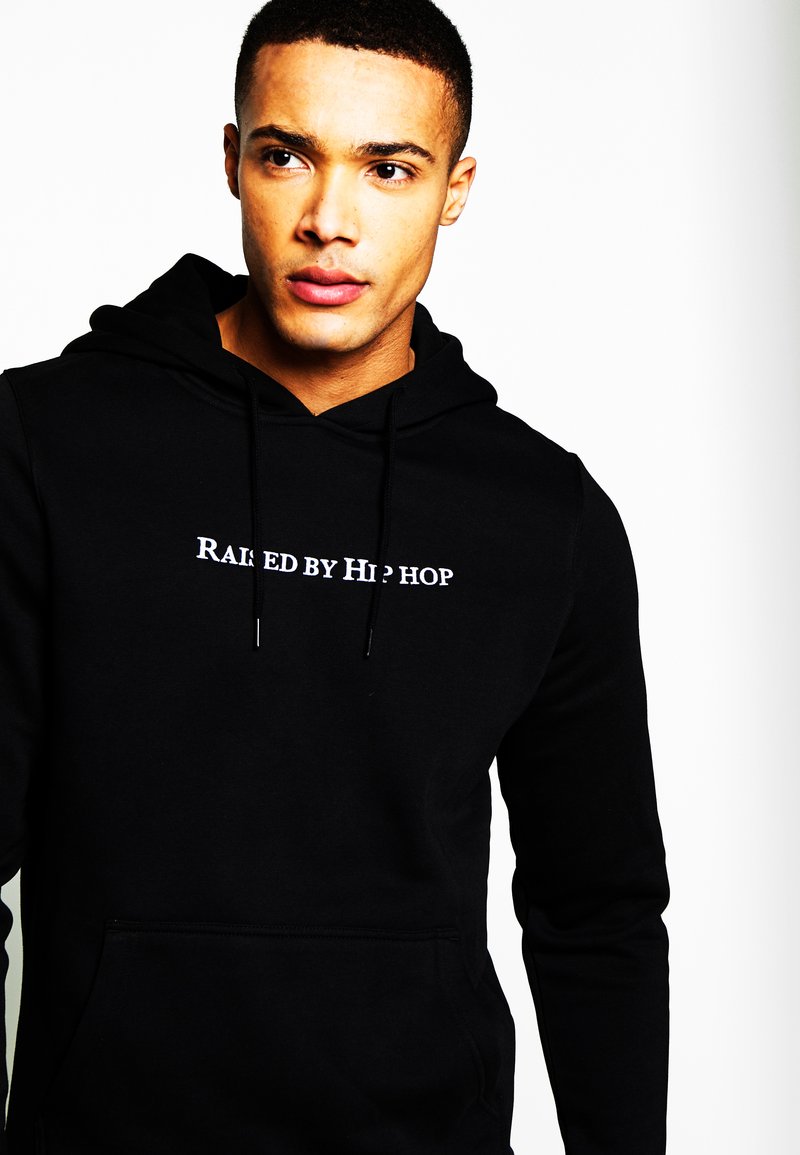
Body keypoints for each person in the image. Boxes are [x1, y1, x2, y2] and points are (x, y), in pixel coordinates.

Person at [0, 0, 670, 1152]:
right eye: (286, 156)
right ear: (232, 161)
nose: (329, 220)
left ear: (454, 189)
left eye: (388, 168)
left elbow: (596, 911)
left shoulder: (538, 515)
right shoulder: (46, 444)